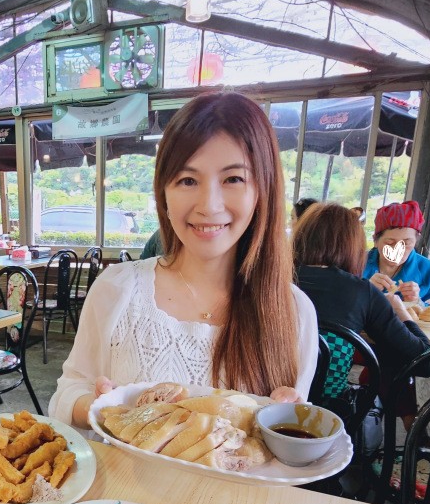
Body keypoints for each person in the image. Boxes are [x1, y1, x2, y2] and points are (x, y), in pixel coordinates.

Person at [50, 92, 319, 427]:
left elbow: (286, 446)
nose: (209, 205)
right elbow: (67, 391)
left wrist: (288, 419)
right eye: (188, 180)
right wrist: (101, 406)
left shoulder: (293, 312)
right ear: (163, 192)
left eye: (233, 179)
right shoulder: (118, 288)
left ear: (263, 189)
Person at [294, 203, 430, 389]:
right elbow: (425, 363)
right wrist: (400, 310)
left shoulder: (270, 282)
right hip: (329, 411)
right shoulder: (363, 291)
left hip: (262, 403)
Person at [363, 201, 430, 302]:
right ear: (375, 241)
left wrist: (417, 302)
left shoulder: (428, 270)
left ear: (415, 242)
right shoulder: (357, 264)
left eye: (406, 243)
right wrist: (363, 292)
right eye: (390, 242)